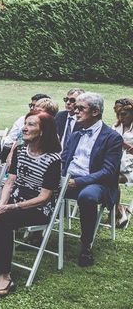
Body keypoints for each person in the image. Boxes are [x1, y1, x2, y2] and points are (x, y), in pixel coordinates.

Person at [0, 111, 62, 297]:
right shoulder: (21, 150)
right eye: (25, 123)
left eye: (31, 125)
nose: (24, 128)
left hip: (37, 207)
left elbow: (45, 197)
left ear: (43, 131)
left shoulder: (53, 159)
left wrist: (9, 208)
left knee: (3, 219)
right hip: (14, 199)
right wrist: (1, 204)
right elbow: (10, 181)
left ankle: (5, 274)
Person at [62, 92, 123, 267]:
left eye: (81, 108)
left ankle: (86, 245)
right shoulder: (75, 133)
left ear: (95, 111)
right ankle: (35, 233)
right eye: (75, 108)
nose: (75, 112)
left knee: (87, 197)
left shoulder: (112, 137)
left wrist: (78, 182)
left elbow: (108, 171)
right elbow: (64, 160)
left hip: (98, 183)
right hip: (70, 178)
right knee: (42, 184)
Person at [2, 93, 50, 161]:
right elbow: (10, 140)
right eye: (31, 105)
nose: (32, 108)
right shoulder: (22, 119)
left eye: (35, 106)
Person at [113, 98, 133, 227]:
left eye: (124, 114)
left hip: (130, 167)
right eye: (119, 114)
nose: (121, 117)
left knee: (111, 179)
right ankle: (119, 209)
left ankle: (119, 211)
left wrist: (125, 144)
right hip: (116, 163)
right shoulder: (116, 126)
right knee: (107, 178)